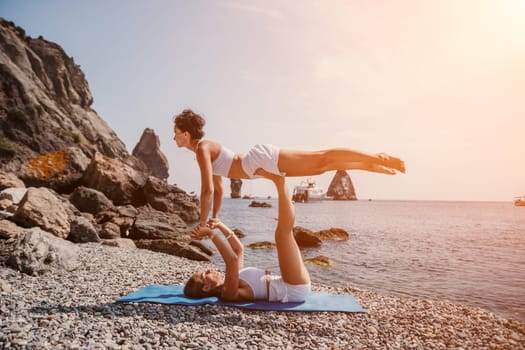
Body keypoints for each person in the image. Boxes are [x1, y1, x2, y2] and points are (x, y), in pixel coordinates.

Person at [173, 109, 405, 227]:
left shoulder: (203, 148)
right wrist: (214, 218)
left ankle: (378, 157)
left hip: (258, 161)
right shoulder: (202, 150)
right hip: (258, 165)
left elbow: (207, 191)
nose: (174, 138)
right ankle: (370, 165)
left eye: (176, 133)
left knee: (322, 158)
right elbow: (219, 189)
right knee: (321, 168)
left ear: (186, 133)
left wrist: (202, 225)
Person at [184, 171, 311, 302]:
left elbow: (239, 250)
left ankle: (280, 180)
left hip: (288, 282)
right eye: (205, 274)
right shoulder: (227, 292)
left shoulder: (232, 278)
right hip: (292, 289)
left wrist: (221, 226)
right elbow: (231, 261)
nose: (209, 270)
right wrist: (210, 234)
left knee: (283, 234)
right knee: (282, 234)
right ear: (206, 288)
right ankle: (280, 181)